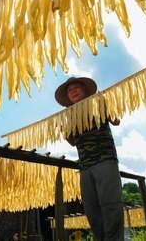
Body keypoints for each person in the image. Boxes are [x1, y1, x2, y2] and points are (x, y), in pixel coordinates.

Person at [54, 77, 124, 241]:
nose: (73, 92)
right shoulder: (70, 116)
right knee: (91, 208)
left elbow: (116, 121)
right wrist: (63, 129)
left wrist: (105, 103)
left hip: (105, 160)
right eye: (70, 91)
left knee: (110, 203)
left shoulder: (97, 103)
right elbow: (72, 142)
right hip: (85, 166)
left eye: (76, 88)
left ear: (85, 90)